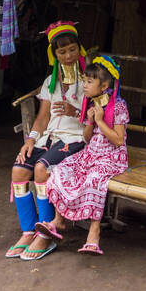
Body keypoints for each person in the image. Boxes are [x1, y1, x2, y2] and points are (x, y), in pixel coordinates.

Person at [8, 21, 88, 260]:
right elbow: (43, 118)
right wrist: (31, 140)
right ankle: (29, 230)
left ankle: (47, 232)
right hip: (49, 138)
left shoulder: (90, 80)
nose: (68, 56)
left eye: (72, 49)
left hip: (76, 139)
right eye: (61, 52)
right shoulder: (49, 83)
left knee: (41, 169)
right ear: (54, 55)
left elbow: (99, 117)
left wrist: (74, 112)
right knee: (19, 171)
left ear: (79, 49)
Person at [37, 55, 130, 255]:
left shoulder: (119, 106)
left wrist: (101, 121)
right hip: (92, 153)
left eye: (89, 82)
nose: (84, 86)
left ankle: (93, 233)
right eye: (85, 81)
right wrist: (89, 122)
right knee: (61, 170)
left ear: (104, 85)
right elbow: (88, 139)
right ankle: (59, 220)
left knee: (94, 180)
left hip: (111, 157)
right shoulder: (92, 104)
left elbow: (117, 140)